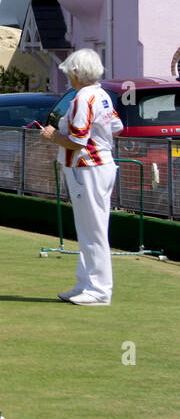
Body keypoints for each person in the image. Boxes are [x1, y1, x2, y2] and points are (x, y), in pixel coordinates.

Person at [40, 49, 123, 305]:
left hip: (87, 168)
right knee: (89, 229)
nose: (68, 77)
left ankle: (99, 290)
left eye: (69, 73)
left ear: (77, 73)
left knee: (92, 230)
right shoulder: (102, 95)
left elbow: (77, 141)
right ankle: (86, 284)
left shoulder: (82, 99)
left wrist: (53, 135)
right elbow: (117, 127)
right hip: (98, 166)